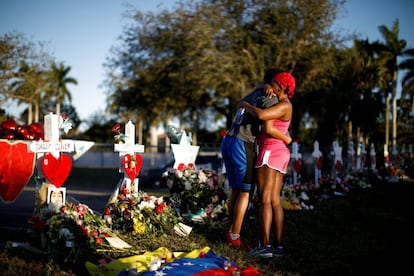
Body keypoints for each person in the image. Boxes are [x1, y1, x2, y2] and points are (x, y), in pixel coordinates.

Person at [221, 69, 291, 249]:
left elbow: (240, 104)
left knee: (237, 189)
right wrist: (287, 138)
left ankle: (231, 230)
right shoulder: (271, 98)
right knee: (246, 191)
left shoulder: (255, 93)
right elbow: (266, 124)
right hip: (243, 143)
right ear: (273, 85)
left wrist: (248, 100)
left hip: (228, 139)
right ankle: (235, 236)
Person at [242, 71, 296, 258]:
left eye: (273, 84)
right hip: (279, 152)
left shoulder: (283, 105)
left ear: (281, 87)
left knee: (265, 200)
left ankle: (265, 246)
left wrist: (246, 105)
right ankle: (278, 245)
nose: (270, 86)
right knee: (274, 201)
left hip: (270, 151)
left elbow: (265, 120)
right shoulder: (284, 104)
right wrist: (261, 86)